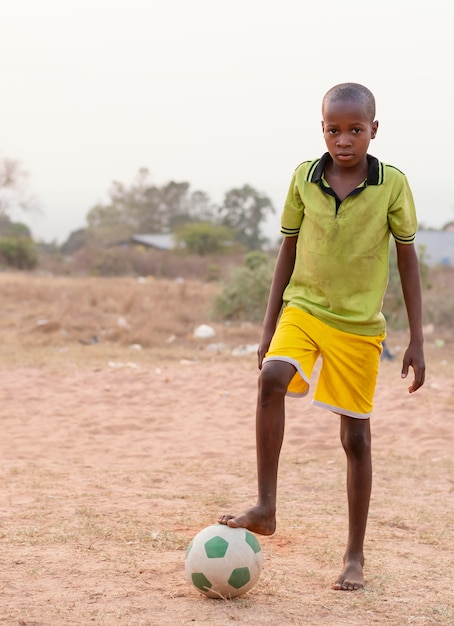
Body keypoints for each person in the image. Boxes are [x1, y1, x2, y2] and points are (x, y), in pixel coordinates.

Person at [218, 82, 425, 591]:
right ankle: (266, 504)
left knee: (354, 437)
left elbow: (407, 259)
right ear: (323, 130)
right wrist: (269, 326)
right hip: (304, 307)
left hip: (357, 326)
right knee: (272, 378)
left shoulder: (392, 185)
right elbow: (286, 252)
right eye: (334, 129)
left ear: (374, 130)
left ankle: (354, 555)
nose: (344, 139)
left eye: (356, 129)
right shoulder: (303, 178)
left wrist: (417, 338)